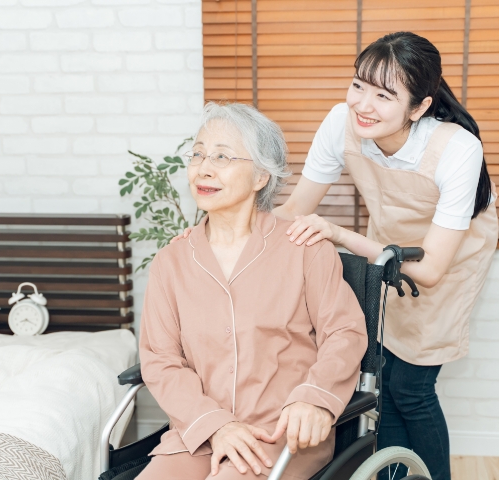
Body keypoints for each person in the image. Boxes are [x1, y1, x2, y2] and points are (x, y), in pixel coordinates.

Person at [174, 32, 498, 480]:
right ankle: (393, 474)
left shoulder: (457, 148)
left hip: (449, 258)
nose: (364, 104)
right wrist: (220, 234)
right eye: (359, 86)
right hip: (384, 243)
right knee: (382, 380)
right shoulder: (340, 122)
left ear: (419, 107)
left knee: (412, 388)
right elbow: (293, 209)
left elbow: (429, 269)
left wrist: (338, 233)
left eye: (384, 95)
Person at [137, 102, 368, 480]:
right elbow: (161, 360)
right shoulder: (172, 261)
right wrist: (214, 425)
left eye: (222, 156)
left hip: (281, 433)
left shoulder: (305, 248)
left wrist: (315, 399)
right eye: (197, 154)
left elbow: (343, 332)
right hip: (200, 433)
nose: (204, 167)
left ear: (261, 176)